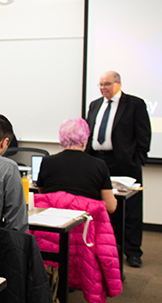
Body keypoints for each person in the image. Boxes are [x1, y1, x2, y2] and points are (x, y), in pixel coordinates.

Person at [85, 70, 151, 267]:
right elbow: (89, 132)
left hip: (124, 164)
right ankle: (106, 249)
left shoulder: (134, 104)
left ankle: (132, 251)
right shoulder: (95, 105)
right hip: (98, 161)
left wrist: (137, 159)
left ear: (118, 83)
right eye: (100, 84)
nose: (103, 88)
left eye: (106, 84)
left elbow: (144, 134)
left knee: (130, 210)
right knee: (102, 207)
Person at [37, 118, 117, 213]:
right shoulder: (99, 165)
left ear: (61, 139)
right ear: (85, 141)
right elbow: (110, 207)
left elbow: (44, 195)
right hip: (86, 221)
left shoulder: (47, 162)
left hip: (54, 219)